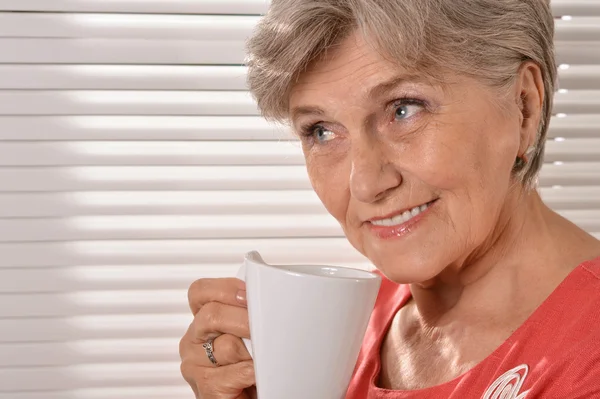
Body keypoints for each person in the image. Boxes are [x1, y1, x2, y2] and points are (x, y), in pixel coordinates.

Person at [179, 0, 600, 397]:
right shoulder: (347, 327)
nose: (364, 184)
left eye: (403, 109)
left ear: (523, 106)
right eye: (321, 131)